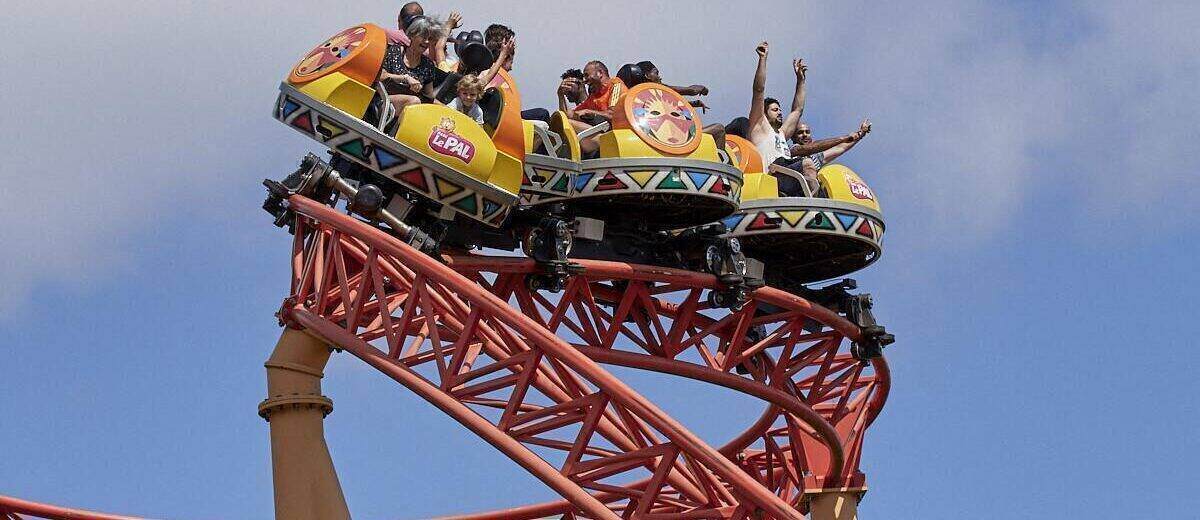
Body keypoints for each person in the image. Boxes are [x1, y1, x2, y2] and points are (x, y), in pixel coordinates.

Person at [378, 16, 449, 124]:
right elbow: (381, 76)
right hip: (384, 102)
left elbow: (429, 98)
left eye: (430, 38)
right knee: (414, 101)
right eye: (423, 36)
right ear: (412, 34)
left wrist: (448, 110)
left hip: (410, 112)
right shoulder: (395, 51)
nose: (426, 41)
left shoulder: (428, 65)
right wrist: (405, 78)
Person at [747, 42, 808, 165]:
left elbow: (798, 110)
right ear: (764, 113)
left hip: (787, 174)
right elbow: (759, 90)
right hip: (771, 173)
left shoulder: (782, 134)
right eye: (775, 110)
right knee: (807, 164)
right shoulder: (758, 126)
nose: (780, 112)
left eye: (780, 110)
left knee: (807, 164)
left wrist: (800, 81)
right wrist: (762, 59)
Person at [774, 119, 871, 195]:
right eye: (800, 132)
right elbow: (810, 148)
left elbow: (840, 148)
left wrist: (860, 134)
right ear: (793, 137)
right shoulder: (790, 150)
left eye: (807, 132)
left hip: (808, 193)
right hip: (790, 189)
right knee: (808, 163)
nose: (804, 135)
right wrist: (844, 138)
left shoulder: (815, 158)